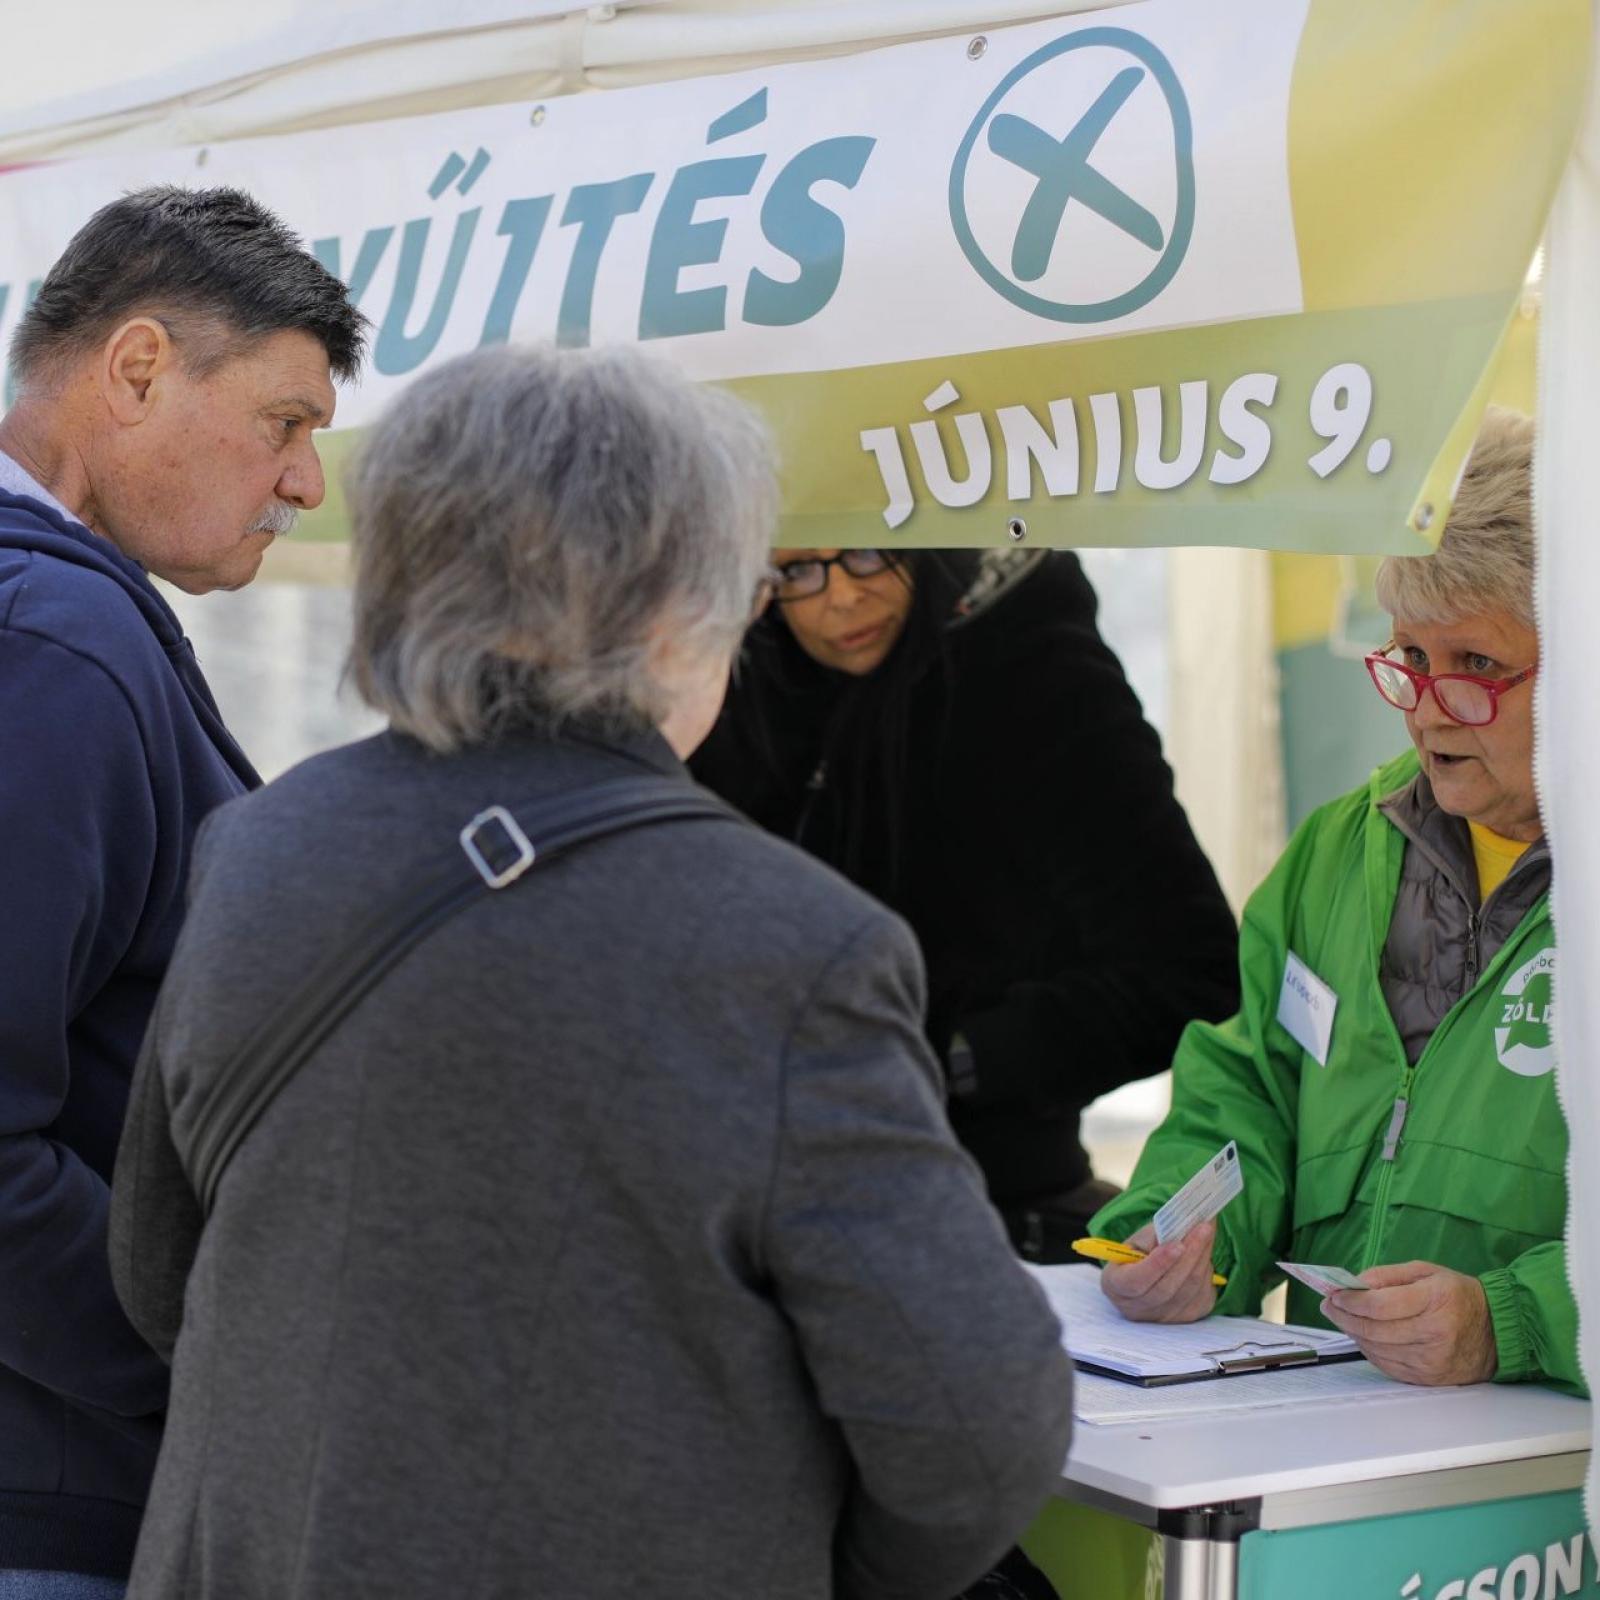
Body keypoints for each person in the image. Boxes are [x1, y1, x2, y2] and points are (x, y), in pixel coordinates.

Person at [107, 344, 1075, 1600]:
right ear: (676, 612)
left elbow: (160, 1277)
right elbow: (973, 1428)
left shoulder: (257, 852)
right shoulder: (792, 947)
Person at [0, 185, 365, 1594]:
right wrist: (209, 1365)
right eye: (285, 423)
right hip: (57, 1485)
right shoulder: (56, 643)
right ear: (139, 368)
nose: (304, 485)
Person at [1092, 408, 1579, 1392]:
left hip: (1549, 1502)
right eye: (1408, 657)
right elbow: (1251, 1091)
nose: (1428, 706)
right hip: (1335, 1457)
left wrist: (1508, 1320)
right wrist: (1185, 1232)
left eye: (1477, 666)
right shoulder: (1342, 847)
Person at [690, 545, 1241, 1259]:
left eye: (864, 554)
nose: (841, 599)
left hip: (986, 1212)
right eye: (796, 571)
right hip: (747, 1214)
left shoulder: (1035, 671)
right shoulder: (714, 681)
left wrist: (947, 1061)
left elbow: (1190, 972)